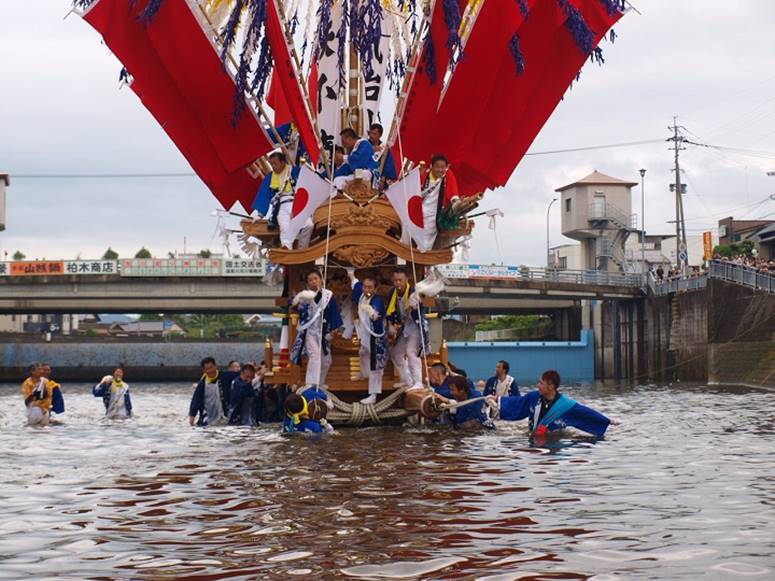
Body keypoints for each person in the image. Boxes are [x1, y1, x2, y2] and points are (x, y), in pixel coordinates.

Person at [490, 370, 611, 438]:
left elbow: (585, 412)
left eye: (541, 383)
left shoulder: (565, 405)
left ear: (551, 386)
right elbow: (517, 403)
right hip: (533, 437)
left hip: (553, 440)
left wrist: (607, 420)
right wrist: (498, 399)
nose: (538, 385)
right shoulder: (533, 397)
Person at [290, 269, 344, 388]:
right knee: (314, 356)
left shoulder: (328, 296)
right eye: (310, 280)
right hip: (310, 331)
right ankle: (311, 385)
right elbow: (295, 305)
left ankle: (320, 382)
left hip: (324, 332)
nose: (314, 282)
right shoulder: (305, 296)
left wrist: (334, 329)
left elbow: (334, 313)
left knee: (326, 361)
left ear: (321, 280)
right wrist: (296, 303)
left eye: (316, 279)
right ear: (307, 283)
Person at [348, 270, 388, 405]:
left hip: (376, 337)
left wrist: (372, 313)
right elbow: (356, 285)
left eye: (370, 287)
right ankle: (363, 374)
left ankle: (373, 395)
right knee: (363, 352)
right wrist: (351, 274)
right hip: (365, 334)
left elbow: (375, 314)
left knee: (375, 365)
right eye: (365, 287)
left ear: (375, 289)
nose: (367, 290)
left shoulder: (377, 301)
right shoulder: (362, 294)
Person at [386, 268, 429, 390]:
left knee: (411, 352)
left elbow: (423, 303)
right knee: (395, 353)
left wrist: (417, 303)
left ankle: (418, 382)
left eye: (400, 280)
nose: (398, 283)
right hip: (404, 327)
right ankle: (407, 380)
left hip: (415, 325)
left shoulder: (414, 292)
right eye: (395, 280)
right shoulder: (392, 293)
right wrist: (391, 325)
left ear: (406, 280)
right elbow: (390, 311)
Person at [188, 357, 230, 426]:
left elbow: (240, 376)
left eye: (211, 367)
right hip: (208, 414)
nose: (210, 370)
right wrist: (192, 417)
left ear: (216, 366)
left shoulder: (225, 376)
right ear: (204, 370)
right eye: (207, 369)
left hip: (224, 413)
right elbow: (196, 400)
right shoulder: (202, 383)